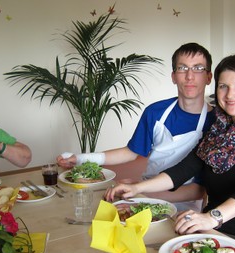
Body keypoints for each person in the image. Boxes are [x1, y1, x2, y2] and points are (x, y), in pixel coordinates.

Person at [105, 54, 235, 253]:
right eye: (223, 86)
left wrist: (211, 218)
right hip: (212, 233)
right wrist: (137, 188)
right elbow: (182, 170)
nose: (230, 94)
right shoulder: (217, 131)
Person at [57, 42, 215, 211]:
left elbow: (199, 191)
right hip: (144, 194)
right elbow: (131, 152)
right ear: (173, 76)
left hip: (185, 207)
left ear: (208, 77)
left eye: (198, 68)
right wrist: (81, 158)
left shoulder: (216, 123)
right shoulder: (155, 112)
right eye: (182, 68)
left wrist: (141, 191)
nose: (190, 76)